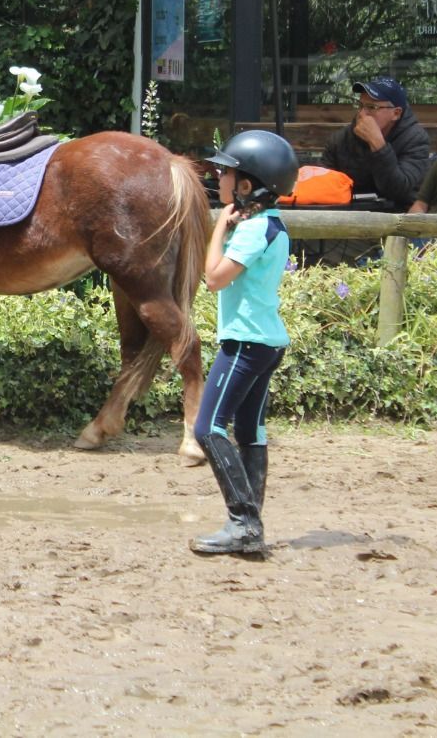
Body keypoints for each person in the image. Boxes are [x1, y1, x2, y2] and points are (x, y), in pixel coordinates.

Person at [191, 130, 298, 556]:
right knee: (250, 430)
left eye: (226, 173)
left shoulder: (253, 232)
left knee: (207, 428)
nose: (220, 179)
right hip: (265, 341)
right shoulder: (271, 225)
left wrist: (218, 228)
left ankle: (243, 522)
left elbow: (214, 279)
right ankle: (251, 526)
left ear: (247, 185)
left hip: (246, 344)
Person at [314, 76, 432, 264]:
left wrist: (378, 144)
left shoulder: (415, 140)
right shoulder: (342, 139)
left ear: (396, 113)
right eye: (361, 106)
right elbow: (322, 184)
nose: (363, 114)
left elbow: (399, 189)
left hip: (395, 227)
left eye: (372, 108)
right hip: (346, 224)